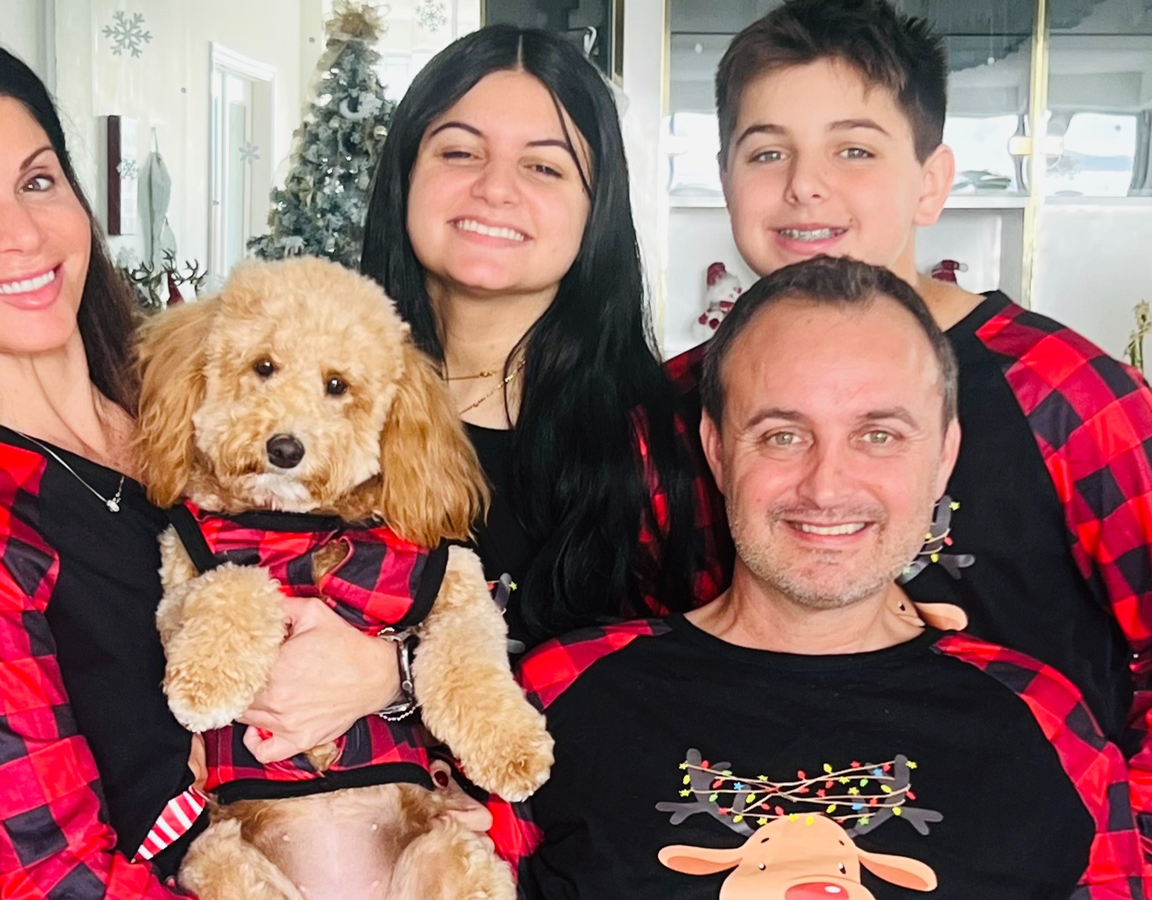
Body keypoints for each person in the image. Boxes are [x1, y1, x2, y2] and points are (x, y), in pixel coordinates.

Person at [492, 256, 1147, 899]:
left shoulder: (1051, 724)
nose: (827, 488)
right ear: (717, 451)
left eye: (879, 436)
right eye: (782, 436)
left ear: (944, 456)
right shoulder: (545, 703)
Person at [667, 0, 1152, 854]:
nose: (805, 184)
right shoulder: (676, 402)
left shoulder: (1066, 393)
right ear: (726, 177)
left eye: (854, 149)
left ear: (930, 181)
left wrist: (1118, 838)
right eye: (768, 151)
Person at [0, 36, 401, 897]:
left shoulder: (211, 402)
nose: (23, 234)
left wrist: (390, 676)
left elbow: (396, 577)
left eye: (38, 181)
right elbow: (52, 877)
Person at [360, 25, 731, 656]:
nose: (495, 188)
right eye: (460, 152)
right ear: (406, 174)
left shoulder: (659, 444)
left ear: (596, 208)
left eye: (543, 166)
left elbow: (691, 681)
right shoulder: (310, 400)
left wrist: (398, 673)